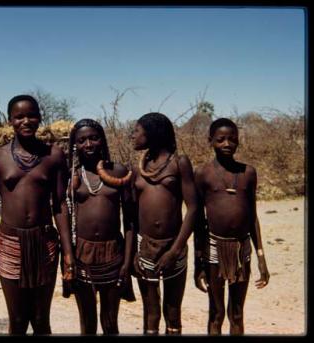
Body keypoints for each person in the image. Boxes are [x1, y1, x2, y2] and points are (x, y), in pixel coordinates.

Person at [0, 95, 75, 335]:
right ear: (10, 120)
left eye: (31, 115)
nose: (26, 121)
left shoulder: (54, 155)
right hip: (10, 243)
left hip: (45, 243)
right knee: (18, 321)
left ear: (40, 118)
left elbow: (60, 205)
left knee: (41, 321)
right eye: (19, 116)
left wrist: (68, 251)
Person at [193, 118, 270, 335]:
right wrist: (198, 263)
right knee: (216, 313)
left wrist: (261, 257)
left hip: (241, 249)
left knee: (236, 313)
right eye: (221, 140)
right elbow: (198, 221)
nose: (227, 144)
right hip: (214, 248)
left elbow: (252, 217)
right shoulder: (202, 173)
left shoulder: (248, 173)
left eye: (232, 139)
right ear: (210, 141)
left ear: (238, 142)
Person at [64, 119, 136, 335]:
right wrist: (66, 258)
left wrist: (127, 259)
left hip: (113, 252)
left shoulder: (118, 171)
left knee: (110, 322)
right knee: (87, 323)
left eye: (94, 138)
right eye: (82, 140)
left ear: (102, 140)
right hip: (81, 254)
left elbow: (131, 221)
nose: (89, 144)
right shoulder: (72, 176)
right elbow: (64, 218)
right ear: (75, 145)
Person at [131, 112, 198, 335]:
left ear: (152, 134)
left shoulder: (180, 163)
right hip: (146, 247)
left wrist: (176, 249)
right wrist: (134, 252)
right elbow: (131, 214)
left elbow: (194, 208)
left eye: (137, 131)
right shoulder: (137, 168)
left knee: (173, 312)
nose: (133, 135)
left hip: (174, 246)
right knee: (150, 312)